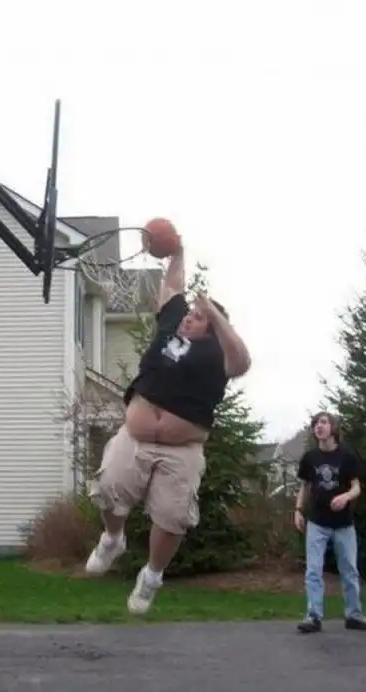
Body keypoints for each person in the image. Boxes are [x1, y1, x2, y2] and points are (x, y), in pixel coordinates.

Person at [85, 241, 252, 614]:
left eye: (199, 317)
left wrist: (215, 313)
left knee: (174, 518)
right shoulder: (169, 326)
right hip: (136, 436)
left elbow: (242, 362)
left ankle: (152, 576)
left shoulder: (218, 355)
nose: (189, 318)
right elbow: (173, 285)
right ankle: (112, 539)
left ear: (213, 328)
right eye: (190, 314)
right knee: (107, 488)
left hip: (182, 448)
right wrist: (177, 251)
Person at [294, 411, 366, 633]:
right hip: (317, 523)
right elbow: (304, 486)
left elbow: (356, 487)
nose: (318, 426)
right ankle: (313, 617)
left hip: (343, 524)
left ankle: (354, 615)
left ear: (333, 428)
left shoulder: (346, 456)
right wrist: (298, 510)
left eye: (323, 422)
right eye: (315, 424)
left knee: (349, 569)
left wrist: (346, 497)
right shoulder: (310, 458)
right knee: (313, 571)